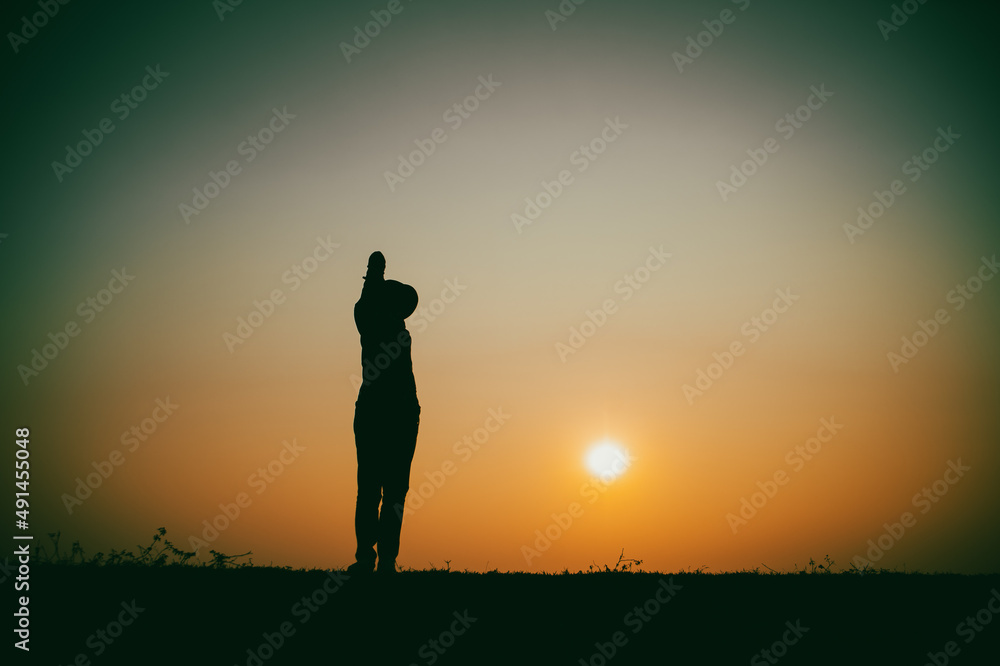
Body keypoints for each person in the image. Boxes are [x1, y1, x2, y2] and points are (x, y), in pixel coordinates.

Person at [348, 251, 420, 575]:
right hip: (392, 413)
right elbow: (364, 307)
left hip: (391, 413)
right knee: (383, 490)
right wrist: (374, 272)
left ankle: (376, 559)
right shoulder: (378, 324)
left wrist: (374, 271)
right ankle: (375, 559)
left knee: (382, 490)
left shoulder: (378, 324)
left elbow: (364, 306)